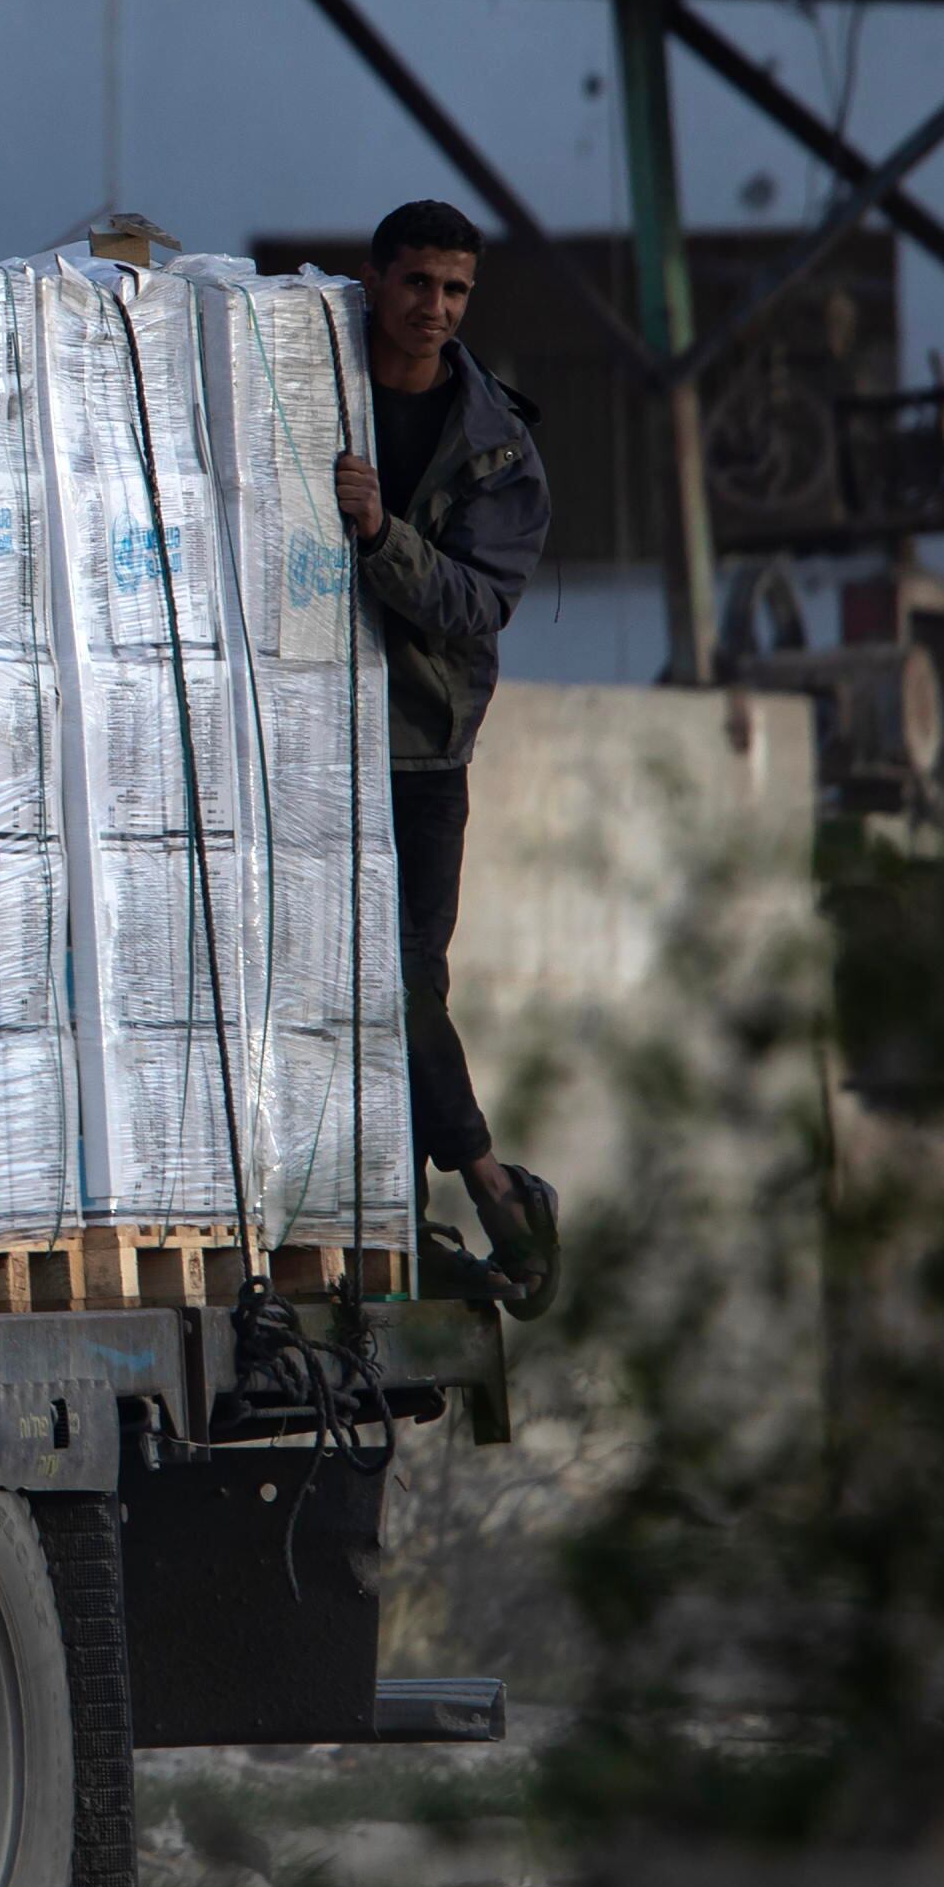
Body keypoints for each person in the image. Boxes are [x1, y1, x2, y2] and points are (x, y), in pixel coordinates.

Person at [332, 200, 564, 1315]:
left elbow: (473, 607)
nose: (432, 309)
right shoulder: (309, 379)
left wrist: (381, 540)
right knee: (323, 984)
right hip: (297, 744)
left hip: (418, 749)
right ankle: (432, 1193)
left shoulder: (498, 451)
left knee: (402, 977)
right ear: (371, 280)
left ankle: (484, 1185)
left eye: (454, 291)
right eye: (416, 282)